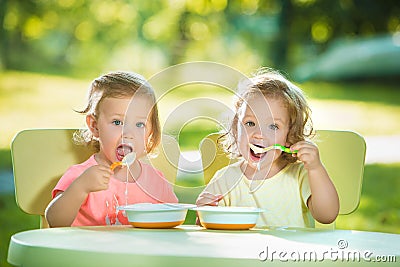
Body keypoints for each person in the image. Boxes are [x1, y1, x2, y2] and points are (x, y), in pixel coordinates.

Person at [196, 68, 339, 228]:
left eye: (273, 126)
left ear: (290, 136)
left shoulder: (300, 175)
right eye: (250, 123)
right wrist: (205, 214)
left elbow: (327, 216)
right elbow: (210, 229)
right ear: (236, 129)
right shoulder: (225, 179)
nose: (259, 134)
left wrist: (315, 168)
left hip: (289, 253)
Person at [45, 71, 178, 227]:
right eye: (117, 122)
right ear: (94, 126)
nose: (128, 134)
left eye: (140, 124)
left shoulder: (155, 181)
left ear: (151, 131)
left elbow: (174, 221)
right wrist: (80, 188)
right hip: (88, 250)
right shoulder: (81, 177)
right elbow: (55, 221)